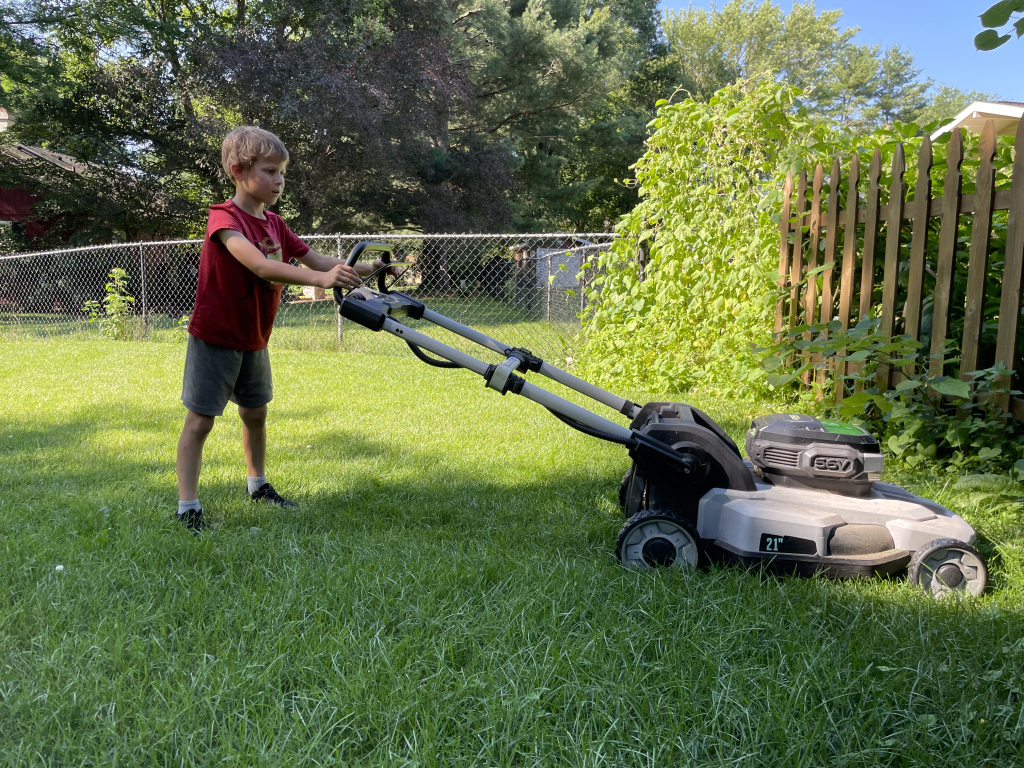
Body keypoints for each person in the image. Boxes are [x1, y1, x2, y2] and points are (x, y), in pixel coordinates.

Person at [175, 126, 390, 534]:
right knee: (201, 421)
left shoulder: (276, 223)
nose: (279, 180)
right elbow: (257, 264)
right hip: (216, 335)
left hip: (255, 335)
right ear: (239, 170)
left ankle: (257, 486)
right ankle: (188, 506)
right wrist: (320, 282)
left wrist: (372, 268)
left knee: (255, 413)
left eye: (282, 172)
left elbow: (319, 261)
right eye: (270, 171)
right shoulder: (224, 219)